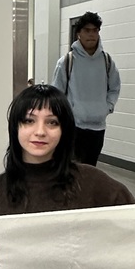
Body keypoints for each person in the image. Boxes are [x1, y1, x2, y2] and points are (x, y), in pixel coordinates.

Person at [0, 83, 135, 217]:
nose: (40, 132)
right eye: (29, 121)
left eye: (52, 123)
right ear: (15, 128)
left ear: (64, 130)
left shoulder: (92, 182)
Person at [51, 11, 121, 167]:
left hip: (98, 126)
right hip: (74, 126)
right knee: (72, 170)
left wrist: (107, 107)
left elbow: (115, 87)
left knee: (90, 169)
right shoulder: (67, 62)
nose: (91, 34)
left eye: (95, 30)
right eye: (87, 30)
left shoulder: (106, 61)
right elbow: (57, 93)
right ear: (79, 34)